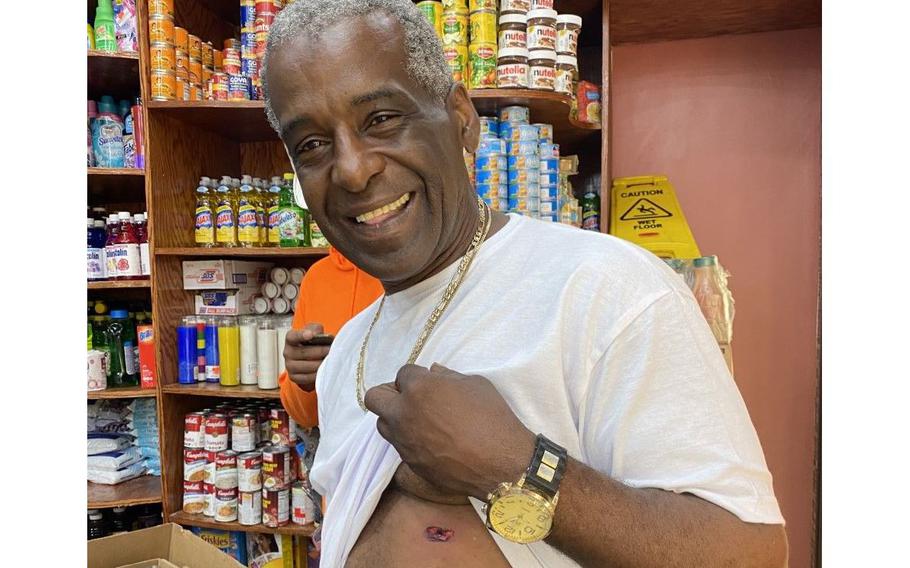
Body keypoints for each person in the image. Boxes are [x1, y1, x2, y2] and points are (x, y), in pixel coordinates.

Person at [262, 1, 788, 566]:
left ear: (462, 120)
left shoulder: (607, 291)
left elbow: (751, 552)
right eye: (312, 146)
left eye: (382, 119)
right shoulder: (347, 355)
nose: (352, 169)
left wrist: (513, 465)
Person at [279, 245, 384, 428]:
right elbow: (305, 416)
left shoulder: (418, 273)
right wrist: (304, 382)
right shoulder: (317, 276)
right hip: (330, 446)